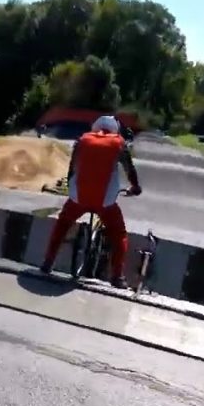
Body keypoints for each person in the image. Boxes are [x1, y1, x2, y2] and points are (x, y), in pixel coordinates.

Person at [39, 115, 142, 289]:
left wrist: (72, 191)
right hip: (105, 202)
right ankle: (117, 277)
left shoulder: (82, 140)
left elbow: (72, 170)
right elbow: (129, 169)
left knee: (63, 224)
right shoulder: (119, 143)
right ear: (115, 129)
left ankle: (48, 262)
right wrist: (135, 188)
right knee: (119, 235)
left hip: (78, 198)